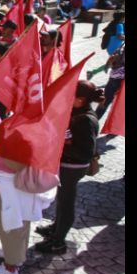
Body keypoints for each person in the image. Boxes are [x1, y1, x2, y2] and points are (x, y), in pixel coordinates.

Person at [34, 81, 104, 254]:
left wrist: (60, 144)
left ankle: (58, 242)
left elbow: (86, 151)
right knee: (62, 200)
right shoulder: (78, 112)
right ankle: (56, 227)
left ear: (80, 100)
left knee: (66, 203)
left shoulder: (86, 120)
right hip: (66, 164)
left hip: (73, 167)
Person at [88, 11, 125, 80]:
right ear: (122, 17)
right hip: (116, 48)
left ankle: (93, 72)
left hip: (111, 47)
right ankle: (113, 78)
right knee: (117, 63)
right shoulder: (119, 25)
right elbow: (120, 36)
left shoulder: (113, 23)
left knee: (114, 63)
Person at [95, 43, 125, 118]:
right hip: (120, 79)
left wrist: (107, 65)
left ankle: (93, 119)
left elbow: (114, 56)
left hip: (114, 77)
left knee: (106, 100)